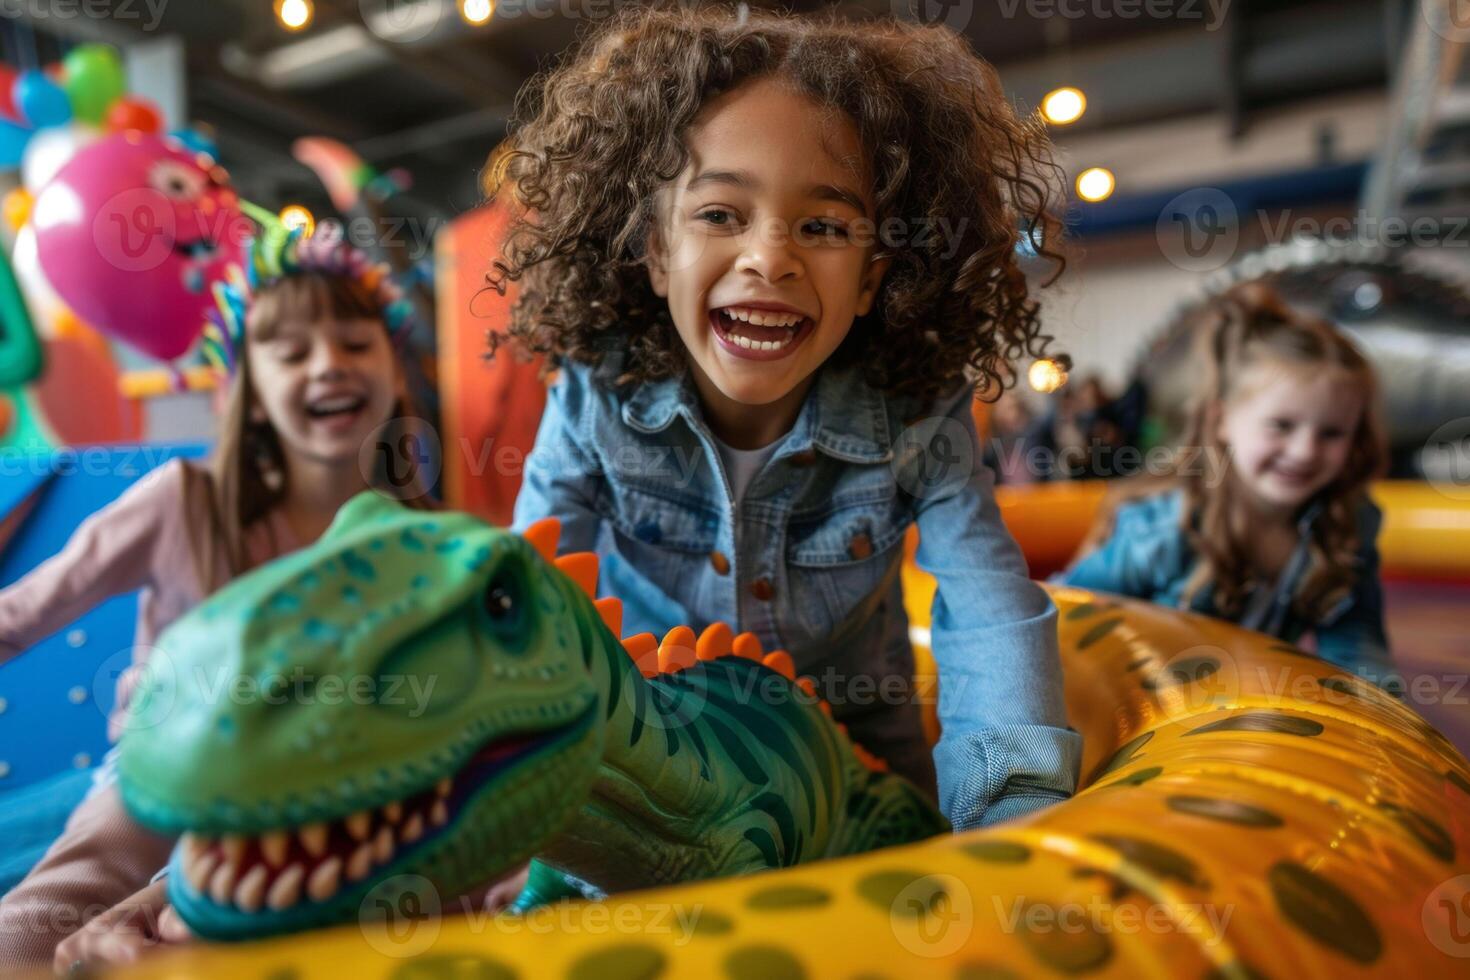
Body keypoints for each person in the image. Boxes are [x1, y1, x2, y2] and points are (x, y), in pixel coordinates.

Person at [496, 6, 1081, 835]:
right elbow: (538, 587)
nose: (771, 256)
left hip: (850, 740)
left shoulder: (914, 410)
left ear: (874, 277)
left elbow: (986, 600)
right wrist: (526, 794)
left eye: (823, 226)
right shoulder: (600, 388)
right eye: (719, 214)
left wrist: (1011, 817)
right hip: (651, 734)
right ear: (658, 254)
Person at [0, 224, 432, 970]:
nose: (329, 366)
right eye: (292, 354)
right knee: (44, 919)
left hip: (328, 792)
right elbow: (24, 612)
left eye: (355, 344)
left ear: (395, 368)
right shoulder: (186, 501)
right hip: (163, 768)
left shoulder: (421, 543)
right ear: (250, 389)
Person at [1059, 283, 1396, 688]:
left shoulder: (1344, 528)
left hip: (1242, 713)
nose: (1305, 451)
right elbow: (1066, 614)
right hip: (1144, 705)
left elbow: (1360, 653)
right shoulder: (1168, 527)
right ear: (1222, 420)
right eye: (1281, 426)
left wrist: (1381, 730)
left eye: (1332, 433)